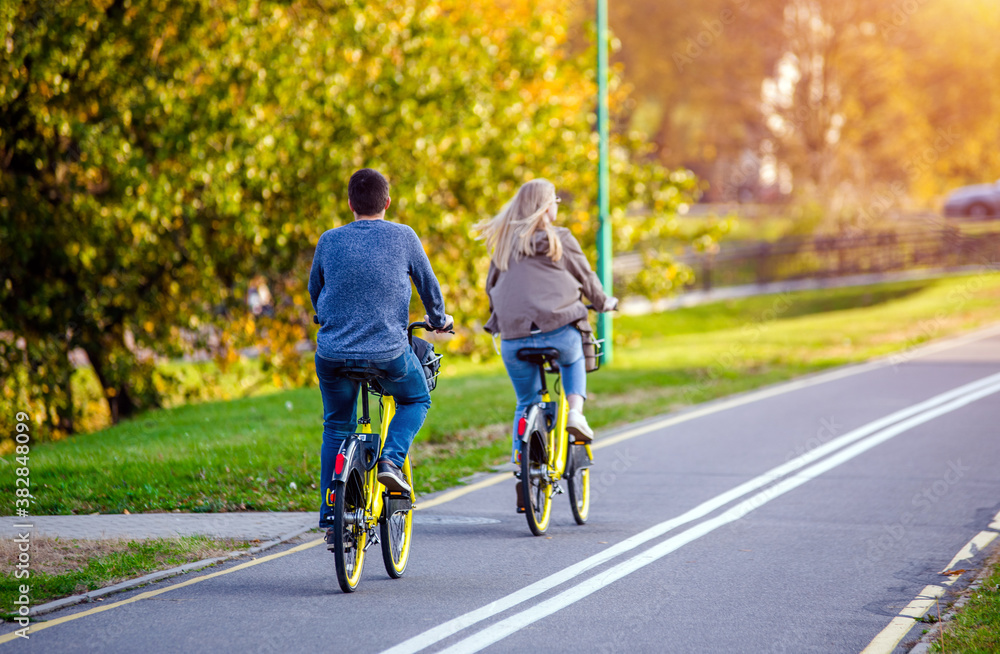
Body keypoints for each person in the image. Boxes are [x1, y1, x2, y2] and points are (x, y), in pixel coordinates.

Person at [309, 168, 453, 528]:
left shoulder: (329, 240)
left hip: (332, 353)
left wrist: (326, 316)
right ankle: (390, 459)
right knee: (416, 398)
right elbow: (428, 287)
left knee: (336, 428)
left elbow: (316, 290)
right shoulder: (404, 237)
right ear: (387, 202)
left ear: (350, 204)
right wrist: (438, 318)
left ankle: (330, 512)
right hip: (388, 353)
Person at [478, 178, 617, 482]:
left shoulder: (503, 243)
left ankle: (522, 464)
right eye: (554, 199)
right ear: (544, 206)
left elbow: (492, 287)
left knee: (526, 402)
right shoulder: (561, 238)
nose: (557, 204)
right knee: (574, 355)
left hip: (514, 338)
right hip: (558, 331)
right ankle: (576, 413)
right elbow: (587, 277)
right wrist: (604, 302)